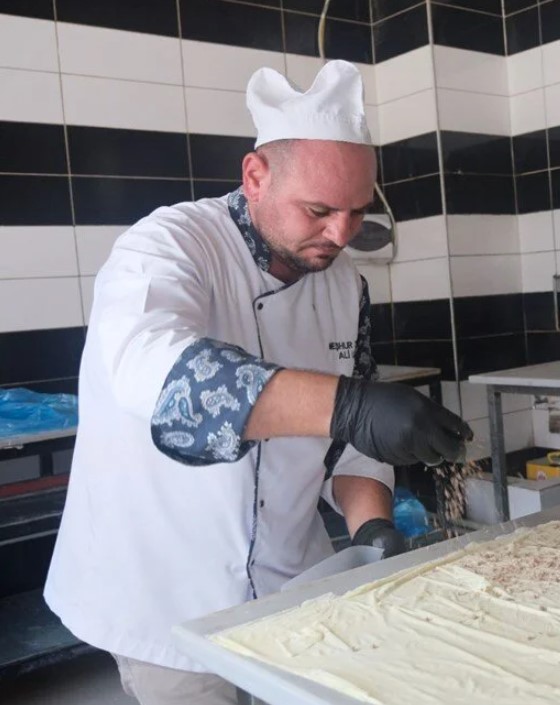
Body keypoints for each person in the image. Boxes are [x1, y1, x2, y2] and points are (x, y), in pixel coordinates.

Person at [43, 61, 471, 705]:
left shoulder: (345, 284)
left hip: (291, 580)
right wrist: (350, 406)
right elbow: (162, 380)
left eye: (357, 212)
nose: (341, 233)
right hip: (166, 593)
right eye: (320, 210)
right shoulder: (168, 246)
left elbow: (347, 447)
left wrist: (369, 527)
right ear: (255, 177)